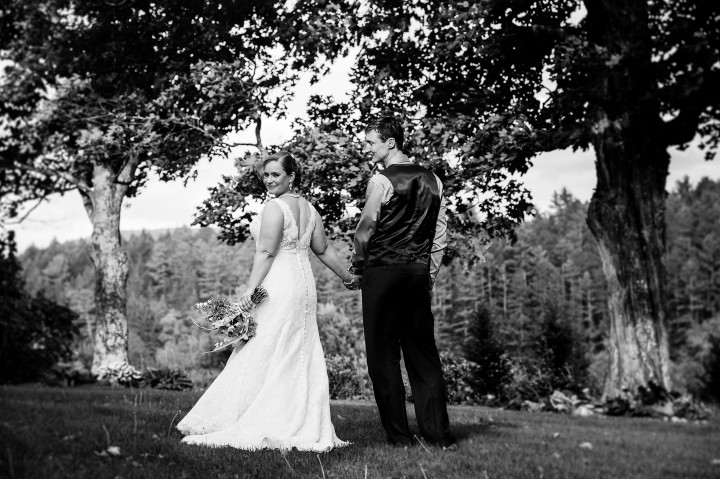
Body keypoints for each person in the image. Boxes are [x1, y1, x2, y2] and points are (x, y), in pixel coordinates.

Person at [177, 151, 352, 452]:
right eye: (266, 175)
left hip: (279, 284)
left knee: (263, 347)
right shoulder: (310, 209)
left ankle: (262, 417)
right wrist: (347, 277)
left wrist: (249, 290)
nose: (269, 181)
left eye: (276, 175)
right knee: (294, 349)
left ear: (292, 176)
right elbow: (323, 251)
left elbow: (267, 252)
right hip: (304, 286)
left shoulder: (274, 208)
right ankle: (300, 417)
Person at [349, 116, 455, 449]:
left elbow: (365, 229)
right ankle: (438, 436)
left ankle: (400, 436)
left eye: (370, 142)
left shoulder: (380, 180)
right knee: (423, 354)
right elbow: (439, 236)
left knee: (382, 356)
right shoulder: (434, 179)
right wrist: (428, 275)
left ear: (389, 143)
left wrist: (358, 266)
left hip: (382, 271)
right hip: (416, 273)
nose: (367, 147)